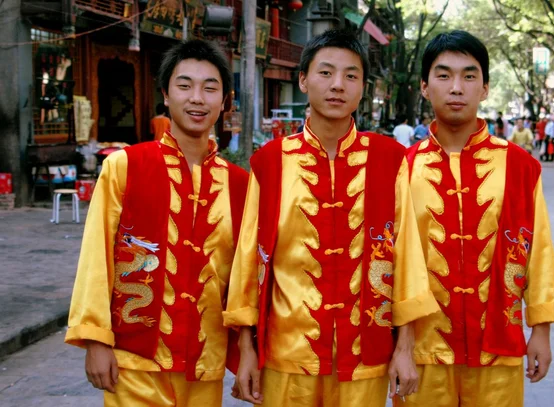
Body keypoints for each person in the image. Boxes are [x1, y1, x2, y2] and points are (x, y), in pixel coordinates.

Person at [224, 29, 439, 407]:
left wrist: (405, 347)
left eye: (350, 75)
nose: (338, 85)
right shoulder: (270, 162)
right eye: (326, 73)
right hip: (286, 357)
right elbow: (248, 263)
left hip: (367, 356)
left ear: (362, 87)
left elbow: (406, 257)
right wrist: (246, 348)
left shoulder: (389, 160)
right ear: (303, 79)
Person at [65, 39, 249, 406]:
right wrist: (96, 339)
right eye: (184, 85)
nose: (197, 98)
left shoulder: (240, 184)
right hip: (135, 362)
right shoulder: (125, 166)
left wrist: (247, 350)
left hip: (204, 362)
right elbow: (96, 257)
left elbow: (246, 279)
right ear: (166, 94)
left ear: (224, 101)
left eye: (210, 88)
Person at [400, 30, 554, 407]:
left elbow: (537, 250)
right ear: (425, 88)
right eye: (443, 76)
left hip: (499, 346)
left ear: (486, 88)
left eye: (469, 75)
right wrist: (399, 342)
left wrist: (540, 331)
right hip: (424, 350)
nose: (456, 87)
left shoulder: (520, 166)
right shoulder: (404, 168)